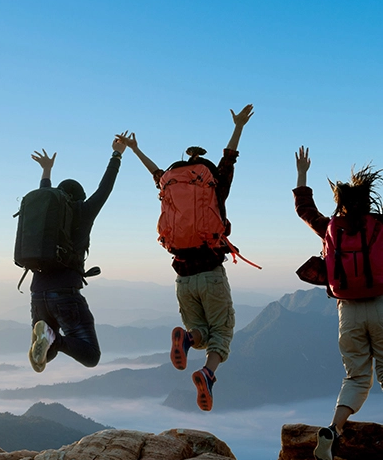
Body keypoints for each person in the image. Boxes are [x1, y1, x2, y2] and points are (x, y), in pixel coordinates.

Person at [116, 105, 254, 411]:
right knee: (222, 333)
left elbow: (155, 173)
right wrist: (239, 126)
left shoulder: (169, 183)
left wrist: (135, 149)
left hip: (182, 277)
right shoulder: (215, 185)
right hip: (211, 273)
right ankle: (207, 373)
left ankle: (186, 339)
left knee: (201, 335)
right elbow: (230, 157)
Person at [294, 146, 383, 460]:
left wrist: (303, 173)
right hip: (382, 305)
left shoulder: (331, 228)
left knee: (357, 377)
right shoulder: (380, 225)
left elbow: (304, 209)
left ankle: (334, 429)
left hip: (348, 310)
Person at [28, 135, 126, 372]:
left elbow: (44, 194)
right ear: (80, 198)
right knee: (90, 355)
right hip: (65, 294)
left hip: (38, 293)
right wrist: (117, 154)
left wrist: (47, 171)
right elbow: (105, 188)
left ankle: (48, 338)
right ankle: (54, 338)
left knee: (47, 355)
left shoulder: (47, 217)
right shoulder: (84, 211)